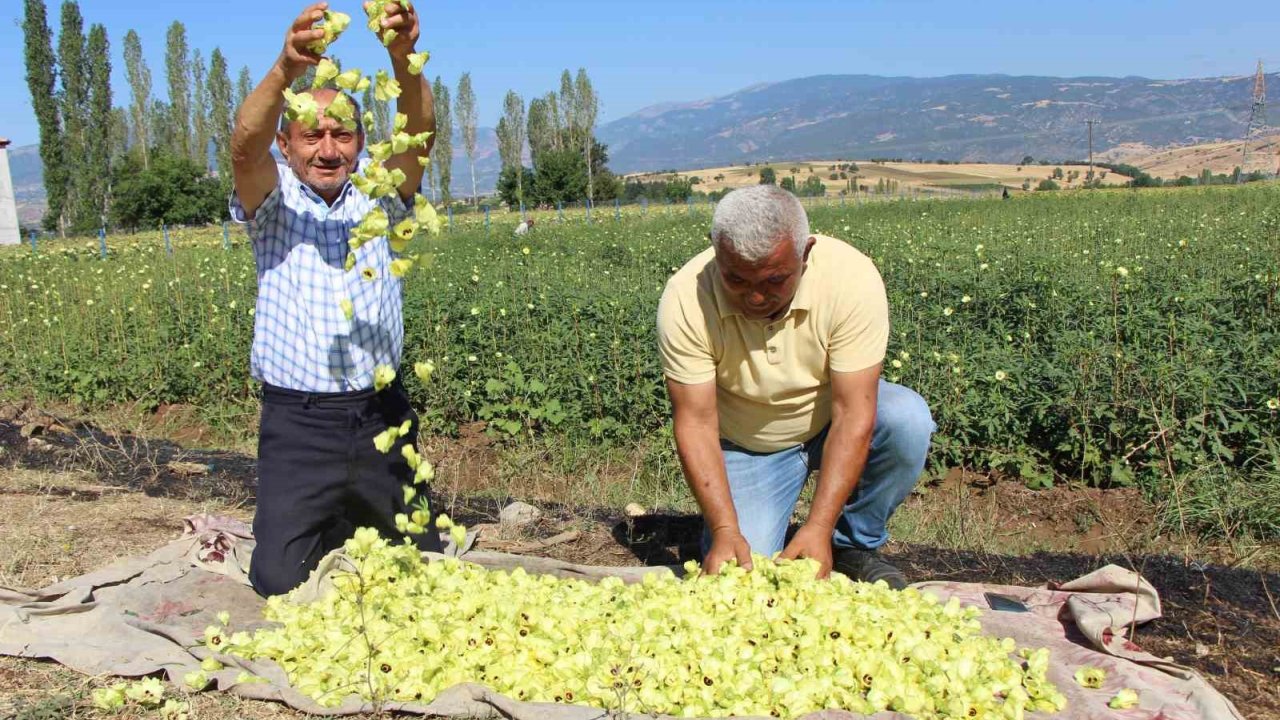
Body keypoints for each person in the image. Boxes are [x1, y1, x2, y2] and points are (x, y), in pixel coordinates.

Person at [229, 1, 439, 596]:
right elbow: (243, 147)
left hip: (381, 414)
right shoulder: (272, 202)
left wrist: (402, 57)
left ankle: (353, 519)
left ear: (360, 140)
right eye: (311, 134)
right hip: (299, 425)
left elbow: (420, 132)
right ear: (287, 144)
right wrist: (285, 69)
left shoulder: (381, 193)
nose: (327, 148)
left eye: (341, 133)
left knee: (422, 573)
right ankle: (331, 522)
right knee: (277, 581)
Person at [657, 185, 934, 589]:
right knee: (746, 575)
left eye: (774, 280)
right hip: (749, 442)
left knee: (906, 419)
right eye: (735, 278)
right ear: (716, 254)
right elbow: (696, 423)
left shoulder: (850, 278)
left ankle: (852, 544)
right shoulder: (686, 298)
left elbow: (854, 411)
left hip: (828, 420)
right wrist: (724, 528)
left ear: (805, 254)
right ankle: (746, 529)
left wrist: (820, 525)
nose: (754, 296)